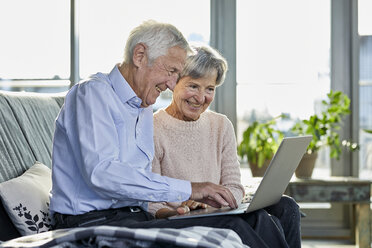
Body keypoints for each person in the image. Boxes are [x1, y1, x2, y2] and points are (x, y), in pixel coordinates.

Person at [50, 20, 290, 248]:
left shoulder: (142, 107)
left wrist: (175, 208)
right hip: (91, 223)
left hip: (135, 217)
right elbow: (103, 174)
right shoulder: (92, 95)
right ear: (140, 56)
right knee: (234, 225)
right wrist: (191, 189)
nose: (173, 83)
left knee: (262, 218)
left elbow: (140, 183)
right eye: (172, 70)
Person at [149, 45, 302, 247]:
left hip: (218, 209)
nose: (201, 98)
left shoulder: (221, 125)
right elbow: (150, 199)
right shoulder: (153, 127)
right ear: (173, 83)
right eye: (193, 86)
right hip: (181, 217)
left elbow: (234, 186)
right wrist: (177, 209)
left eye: (209, 89)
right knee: (259, 221)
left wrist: (215, 201)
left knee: (287, 206)